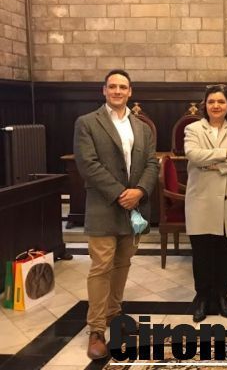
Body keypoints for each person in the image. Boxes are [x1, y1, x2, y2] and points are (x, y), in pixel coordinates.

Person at [73, 69, 159, 360]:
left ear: (130, 91)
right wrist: (122, 193)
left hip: (134, 208)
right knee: (101, 267)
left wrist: (140, 191)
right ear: (104, 90)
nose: (118, 91)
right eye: (113, 87)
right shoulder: (87, 123)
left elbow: (151, 163)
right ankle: (96, 330)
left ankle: (114, 313)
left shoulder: (142, 128)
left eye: (123, 87)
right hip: (104, 206)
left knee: (123, 263)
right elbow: (88, 164)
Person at [184, 84, 227, 322]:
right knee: (201, 253)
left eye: (221, 101)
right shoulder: (193, 128)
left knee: (223, 252)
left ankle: (222, 295)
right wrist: (225, 153)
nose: (216, 106)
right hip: (200, 200)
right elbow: (193, 155)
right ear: (205, 105)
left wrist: (214, 166)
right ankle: (202, 297)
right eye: (211, 101)